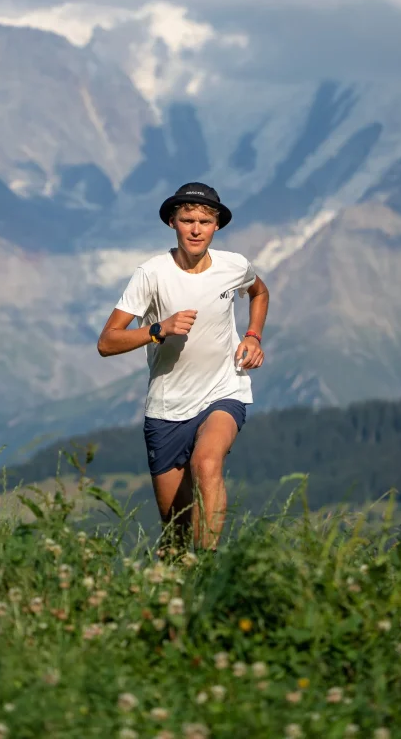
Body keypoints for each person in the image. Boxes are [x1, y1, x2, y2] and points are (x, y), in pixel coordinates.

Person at [97, 182, 269, 550]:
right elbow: (107, 342)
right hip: (167, 408)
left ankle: (207, 572)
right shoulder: (152, 273)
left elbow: (259, 291)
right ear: (171, 223)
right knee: (175, 532)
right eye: (187, 220)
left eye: (204, 221)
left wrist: (253, 335)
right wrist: (159, 329)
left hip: (224, 391)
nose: (195, 229)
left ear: (217, 225)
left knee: (207, 463)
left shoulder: (234, 266)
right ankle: (179, 586)